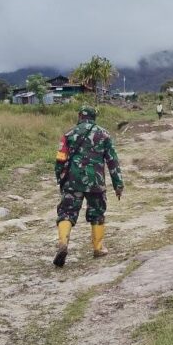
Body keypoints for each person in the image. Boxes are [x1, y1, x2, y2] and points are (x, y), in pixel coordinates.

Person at [53, 106, 123, 267]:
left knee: (66, 213)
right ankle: (98, 248)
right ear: (94, 117)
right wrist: (118, 184)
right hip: (96, 182)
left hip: (72, 180)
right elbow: (112, 161)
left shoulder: (69, 134)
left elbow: (60, 158)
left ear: (79, 116)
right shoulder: (104, 134)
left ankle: (63, 242)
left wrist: (60, 178)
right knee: (97, 213)